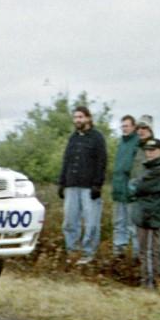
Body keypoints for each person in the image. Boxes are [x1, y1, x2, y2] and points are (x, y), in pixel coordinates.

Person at [57, 106, 107, 264]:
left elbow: (102, 162)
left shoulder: (97, 138)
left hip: (89, 187)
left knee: (91, 222)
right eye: (75, 117)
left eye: (81, 117)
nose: (78, 120)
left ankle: (88, 253)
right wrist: (62, 182)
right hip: (72, 185)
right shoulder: (73, 138)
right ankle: (72, 252)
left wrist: (97, 185)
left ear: (88, 118)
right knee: (70, 221)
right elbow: (66, 160)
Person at [129, 138, 160, 289]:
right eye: (147, 150)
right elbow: (137, 186)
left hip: (150, 216)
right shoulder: (151, 168)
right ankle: (149, 282)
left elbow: (139, 187)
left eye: (153, 150)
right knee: (149, 250)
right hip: (146, 214)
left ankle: (149, 284)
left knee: (149, 251)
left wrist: (135, 186)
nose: (149, 153)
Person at [110, 115, 140, 257]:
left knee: (132, 225)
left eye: (127, 126)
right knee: (118, 223)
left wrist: (133, 188)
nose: (124, 128)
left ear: (134, 127)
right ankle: (118, 254)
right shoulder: (121, 143)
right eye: (122, 126)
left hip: (131, 192)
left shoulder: (137, 143)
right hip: (118, 189)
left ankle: (136, 255)